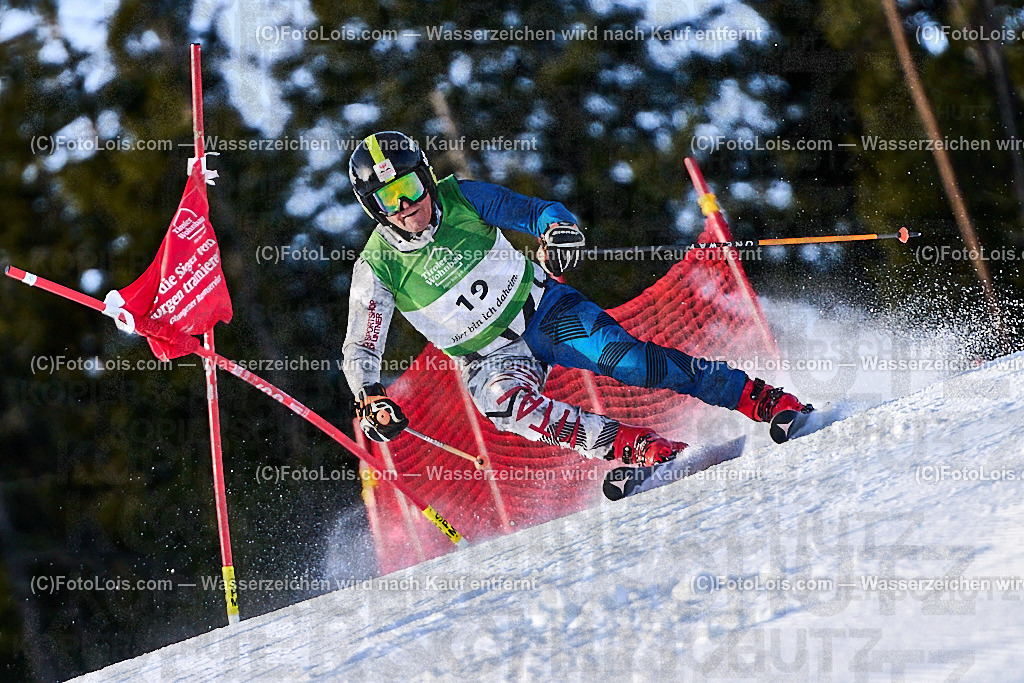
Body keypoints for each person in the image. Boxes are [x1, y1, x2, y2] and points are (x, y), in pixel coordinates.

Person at [342, 131, 811, 468]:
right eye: (389, 200)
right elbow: (362, 346)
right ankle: (633, 447)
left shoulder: (461, 197)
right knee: (505, 405)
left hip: (544, 311)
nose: (406, 206)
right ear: (373, 209)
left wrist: (557, 231)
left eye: (408, 187)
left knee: (628, 363)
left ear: (425, 177)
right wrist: (371, 395)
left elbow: (536, 211)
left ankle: (759, 397)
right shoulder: (377, 267)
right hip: (490, 359)